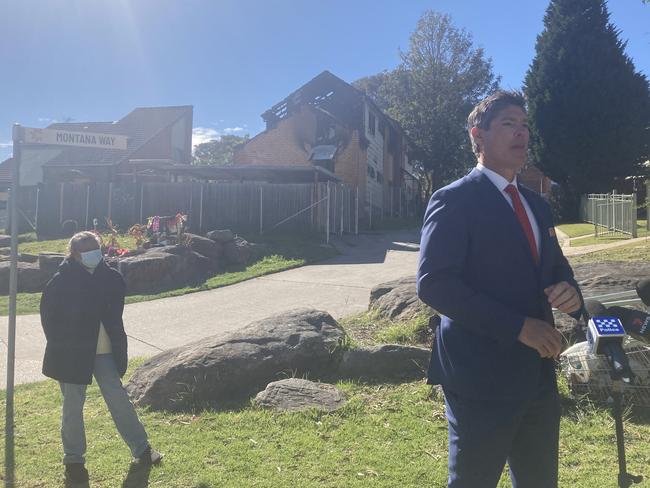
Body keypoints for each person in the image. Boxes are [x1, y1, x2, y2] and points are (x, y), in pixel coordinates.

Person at [416, 91, 582, 488]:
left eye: (525, 125)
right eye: (509, 124)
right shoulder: (454, 200)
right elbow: (434, 284)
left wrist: (570, 293)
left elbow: (557, 268)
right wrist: (518, 327)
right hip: (478, 376)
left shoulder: (537, 205)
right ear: (479, 135)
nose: (521, 133)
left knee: (540, 481)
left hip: (538, 373)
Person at [40, 231, 162, 484]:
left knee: (119, 399)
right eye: (86, 250)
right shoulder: (60, 282)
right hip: (72, 354)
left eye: (95, 248)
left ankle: (142, 449)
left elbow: (113, 311)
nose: (93, 254)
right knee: (72, 407)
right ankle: (73, 460)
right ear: (73, 254)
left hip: (105, 351)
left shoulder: (112, 277)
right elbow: (49, 319)